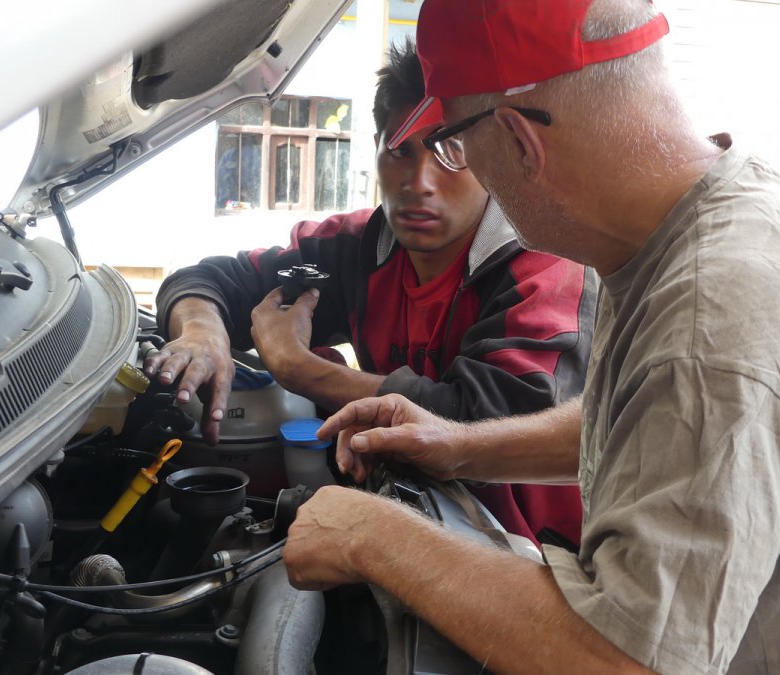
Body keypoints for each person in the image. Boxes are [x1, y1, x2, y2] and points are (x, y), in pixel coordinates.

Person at [281, 1, 780, 674]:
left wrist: (372, 537)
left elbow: (625, 662)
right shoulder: (682, 234)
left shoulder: (711, 317)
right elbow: (648, 423)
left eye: (454, 146)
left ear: (519, 140)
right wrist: (459, 446)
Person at [145, 41, 596, 546]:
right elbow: (213, 279)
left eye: (451, 153)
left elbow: (484, 424)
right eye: (400, 151)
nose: (419, 182)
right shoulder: (354, 248)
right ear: (376, 148)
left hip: (537, 555)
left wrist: (302, 370)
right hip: (419, 523)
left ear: (489, 158)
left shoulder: (545, 264)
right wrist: (202, 331)